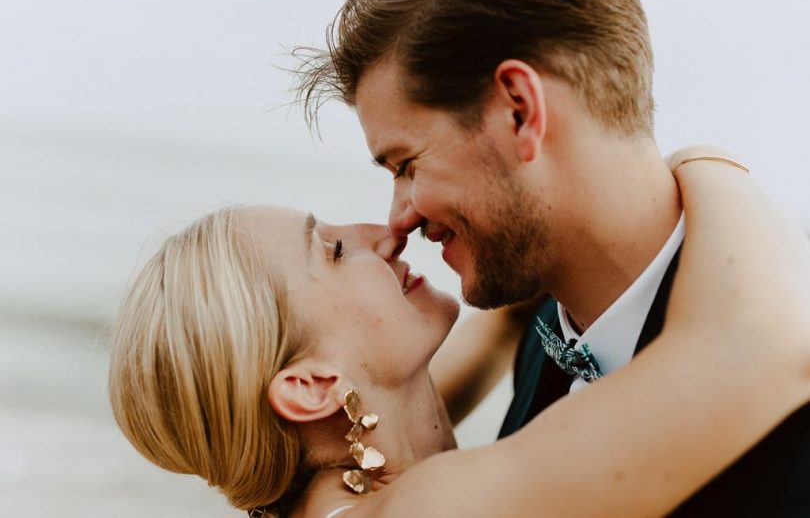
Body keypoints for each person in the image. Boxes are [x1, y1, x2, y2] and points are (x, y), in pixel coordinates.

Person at [295, 0, 810, 513]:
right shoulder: (540, 332)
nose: (397, 222)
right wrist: (710, 163)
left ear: (520, 110)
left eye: (406, 164)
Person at [108, 158, 810, 517]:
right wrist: (704, 169)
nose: (382, 234)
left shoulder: (340, 473)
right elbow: (758, 350)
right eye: (329, 250)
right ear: (309, 384)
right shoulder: (428, 511)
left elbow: (496, 331)